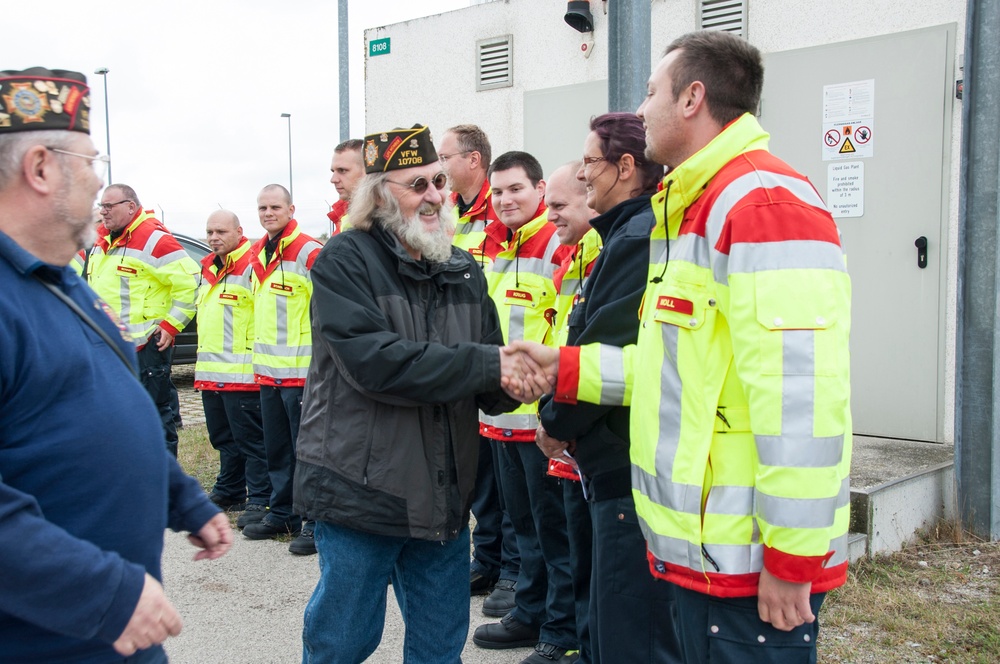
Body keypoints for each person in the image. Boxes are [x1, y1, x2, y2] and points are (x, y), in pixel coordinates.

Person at [507, 30, 853, 664]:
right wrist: (571, 366)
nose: (639, 113)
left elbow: (800, 393)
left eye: (650, 93)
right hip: (693, 554)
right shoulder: (691, 207)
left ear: (693, 98)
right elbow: (674, 367)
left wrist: (792, 557)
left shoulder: (762, 203)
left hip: (747, 565)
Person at [0, 66, 232, 662]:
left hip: (111, 631)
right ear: (43, 169)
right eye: (92, 163)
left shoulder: (62, 279)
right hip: (50, 637)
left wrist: (184, 499)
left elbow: (107, 412)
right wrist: (104, 591)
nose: (100, 185)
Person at [292, 123, 519, 662]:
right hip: (359, 492)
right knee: (342, 643)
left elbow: (491, 376)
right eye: (418, 185)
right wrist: (491, 365)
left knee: (440, 648)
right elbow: (380, 365)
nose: (437, 195)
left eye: (440, 180)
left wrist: (526, 378)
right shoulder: (345, 260)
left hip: (442, 494)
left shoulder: (462, 269)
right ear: (379, 197)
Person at [537, 113, 683, 663]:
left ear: (626, 167)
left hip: (624, 465)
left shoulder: (636, 238)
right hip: (610, 459)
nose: (582, 175)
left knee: (630, 633)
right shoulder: (623, 235)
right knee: (605, 619)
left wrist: (555, 425)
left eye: (590, 162)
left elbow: (604, 349)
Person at [472, 151, 578, 664]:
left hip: (538, 419)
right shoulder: (492, 244)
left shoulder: (556, 243)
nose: (505, 199)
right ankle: (530, 611)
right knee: (523, 526)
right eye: (497, 192)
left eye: (515, 189)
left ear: (538, 189)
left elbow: (559, 335)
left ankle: (560, 629)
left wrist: (552, 410)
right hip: (497, 416)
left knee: (551, 530)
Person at [439, 123, 518, 600]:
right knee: (480, 480)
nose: (439, 167)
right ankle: (486, 559)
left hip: (501, 353)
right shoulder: (450, 214)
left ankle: (510, 569)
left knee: (507, 481)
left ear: (473, 161)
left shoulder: (504, 209)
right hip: (464, 357)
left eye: (445, 158)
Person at [537, 160, 599, 664]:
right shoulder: (573, 254)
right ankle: (573, 634)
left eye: (558, 205)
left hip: (582, 426)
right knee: (569, 543)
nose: (548, 214)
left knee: (592, 553)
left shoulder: (604, 255)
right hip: (560, 415)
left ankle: (583, 640)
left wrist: (559, 420)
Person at [86, 182, 199, 457]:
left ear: (131, 207)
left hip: (145, 348)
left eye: (109, 206)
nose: (104, 212)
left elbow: (191, 282)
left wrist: (170, 325)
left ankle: (164, 483)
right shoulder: (104, 240)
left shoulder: (153, 238)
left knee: (155, 417)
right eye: (101, 206)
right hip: (111, 347)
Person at [242, 184, 322, 556]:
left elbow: (328, 304)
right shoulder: (258, 251)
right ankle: (283, 511)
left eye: (275, 206)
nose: (268, 213)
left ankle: (312, 519)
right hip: (269, 372)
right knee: (277, 447)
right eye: (262, 207)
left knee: (306, 449)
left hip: (302, 371)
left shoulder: (307, 250)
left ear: (291, 208)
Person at [194, 209, 272, 524]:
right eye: (210, 232)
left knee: (252, 442)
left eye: (221, 232)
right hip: (212, 376)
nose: (214, 238)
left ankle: (261, 499)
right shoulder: (208, 268)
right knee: (224, 439)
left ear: (239, 232)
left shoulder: (252, 266)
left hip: (243, 375)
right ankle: (230, 490)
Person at [328, 138, 365, 235]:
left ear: (366, 172)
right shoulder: (344, 219)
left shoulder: (383, 221)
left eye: (342, 170)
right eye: (333, 171)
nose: (333, 179)